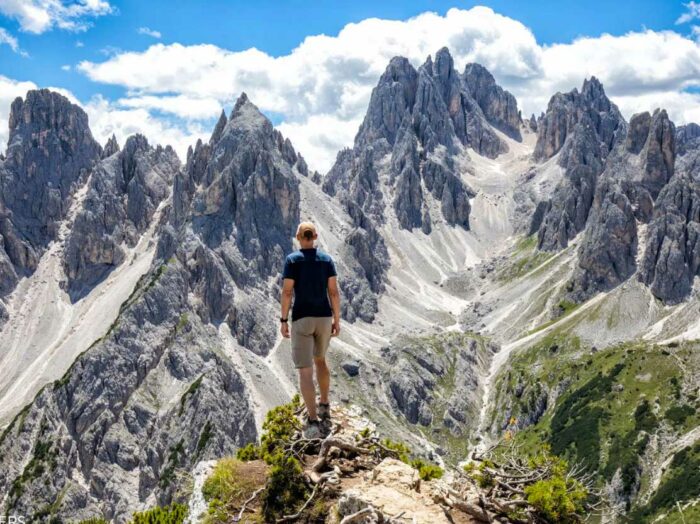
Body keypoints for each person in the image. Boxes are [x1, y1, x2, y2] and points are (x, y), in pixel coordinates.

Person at [280, 221, 341, 438]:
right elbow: (333, 292)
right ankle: (324, 403)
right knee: (321, 361)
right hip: (324, 318)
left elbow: (287, 293)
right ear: (315, 236)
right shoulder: (326, 260)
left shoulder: (292, 261)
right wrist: (337, 319)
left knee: (305, 371)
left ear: (298, 237)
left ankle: (313, 421)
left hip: (302, 319)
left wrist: (283, 320)